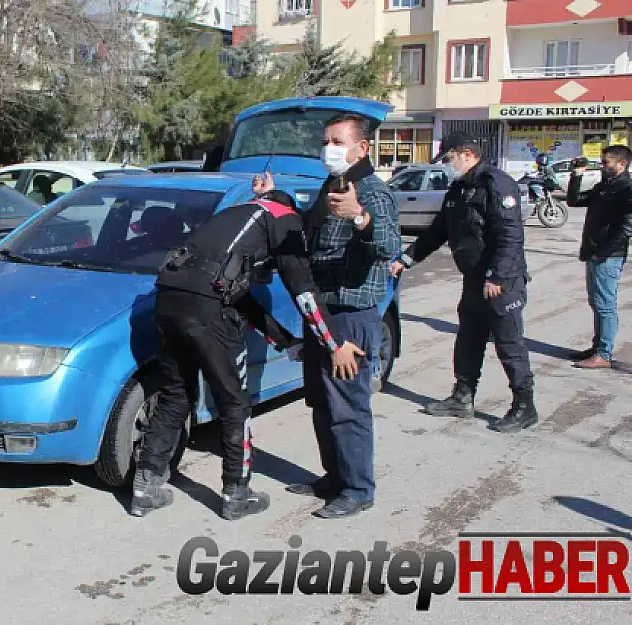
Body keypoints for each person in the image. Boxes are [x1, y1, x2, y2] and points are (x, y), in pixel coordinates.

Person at [130, 177, 364, 521]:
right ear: (290, 209)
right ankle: (236, 494)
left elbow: (235, 294)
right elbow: (303, 291)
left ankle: (143, 490)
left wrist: (284, 341)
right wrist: (333, 344)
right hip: (206, 308)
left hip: (169, 298)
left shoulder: (233, 216)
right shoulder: (284, 219)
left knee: (176, 395)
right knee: (234, 402)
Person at [284, 113, 402, 519]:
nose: (328, 149)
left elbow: (388, 245)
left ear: (361, 148)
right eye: (326, 141)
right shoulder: (330, 185)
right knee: (321, 400)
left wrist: (359, 216)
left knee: (348, 403)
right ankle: (334, 476)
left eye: (337, 141)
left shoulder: (371, 191)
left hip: (351, 311)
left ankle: (358, 488)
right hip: (322, 308)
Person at [390, 131, 538, 434]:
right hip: (473, 280)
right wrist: (406, 259)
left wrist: (497, 275)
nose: (446, 164)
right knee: (468, 339)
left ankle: (525, 405)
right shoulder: (458, 189)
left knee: (509, 344)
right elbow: (436, 232)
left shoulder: (496, 185)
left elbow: (510, 236)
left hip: (501, 282)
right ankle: (463, 396)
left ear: (467, 154)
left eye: (448, 158)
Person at [565, 146, 632, 369]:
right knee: (597, 303)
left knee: (605, 305)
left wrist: (604, 251)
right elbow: (574, 201)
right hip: (594, 252)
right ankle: (597, 347)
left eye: (607, 162)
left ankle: (604, 353)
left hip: (608, 256)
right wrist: (577, 175)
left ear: (621, 164)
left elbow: (627, 227)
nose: (603, 166)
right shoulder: (605, 186)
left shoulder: (626, 189)